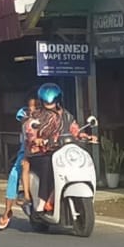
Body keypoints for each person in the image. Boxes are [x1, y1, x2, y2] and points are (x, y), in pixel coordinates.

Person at [23, 83, 86, 215]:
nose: (49, 103)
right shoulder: (36, 116)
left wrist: (83, 135)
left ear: (58, 100)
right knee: (48, 164)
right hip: (40, 153)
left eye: (51, 100)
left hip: (62, 152)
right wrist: (36, 139)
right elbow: (30, 130)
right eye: (46, 101)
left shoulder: (66, 115)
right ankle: (42, 200)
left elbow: (74, 128)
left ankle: (55, 197)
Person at [0, 100, 37, 231]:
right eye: (31, 107)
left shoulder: (52, 116)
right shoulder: (25, 117)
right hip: (26, 149)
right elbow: (26, 127)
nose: (33, 110)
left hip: (46, 149)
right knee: (14, 174)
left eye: (36, 107)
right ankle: (7, 211)